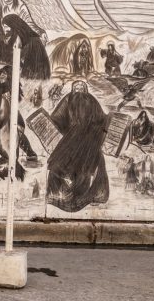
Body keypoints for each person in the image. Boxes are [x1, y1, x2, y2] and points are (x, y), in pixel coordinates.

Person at [46, 80, 109, 212]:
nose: (79, 89)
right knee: (58, 162)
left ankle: (95, 195)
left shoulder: (91, 100)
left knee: (93, 164)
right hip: (70, 139)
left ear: (85, 89)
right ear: (73, 89)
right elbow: (56, 118)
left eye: (81, 86)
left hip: (89, 139)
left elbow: (101, 118)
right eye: (76, 87)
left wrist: (103, 124)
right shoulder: (68, 100)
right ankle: (58, 195)